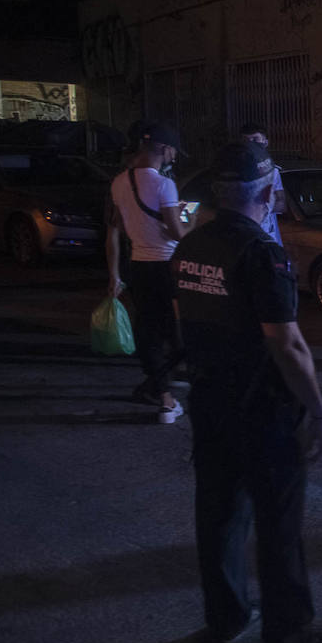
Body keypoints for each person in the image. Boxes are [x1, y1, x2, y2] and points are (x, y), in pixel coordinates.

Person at [171, 141, 322, 643]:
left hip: (209, 398)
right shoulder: (261, 253)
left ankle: (225, 618)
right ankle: (289, 638)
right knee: (278, 525)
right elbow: (287, 344)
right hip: (262, 408)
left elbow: (186, 319)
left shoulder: (191, 247)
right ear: (269, 194)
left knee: (219, 513)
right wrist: (317, 411)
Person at [106, 121, 193, 423]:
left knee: (151, 331)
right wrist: (187, 218)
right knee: (178, 332)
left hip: (138, 267)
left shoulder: (118, 182)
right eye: (173, 151)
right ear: (164, 149)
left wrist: (114, 274)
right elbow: (176, 232)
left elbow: (117, 228)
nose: (174, 157)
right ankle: (165, 398)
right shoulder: (163, 184)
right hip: (167, 267)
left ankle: (160, 388)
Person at [240, 122, 287, 245]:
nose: (251, 144)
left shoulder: (273, 171)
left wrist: (263, 207)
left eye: (256, 139)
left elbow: (282, 204)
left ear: (265, 142)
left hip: (268, 236)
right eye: (246, 140)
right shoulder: (236, 172)